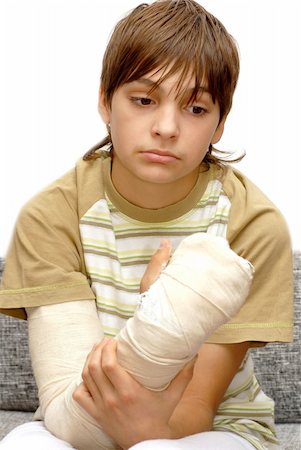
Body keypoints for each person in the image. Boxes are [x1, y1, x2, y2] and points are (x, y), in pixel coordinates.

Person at [0, 1, 293, 449]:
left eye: (196, 109)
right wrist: (163, 309)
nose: (167, 127)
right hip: (77, 421)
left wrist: (143, 436)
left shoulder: (252, 223)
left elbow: (196, 409)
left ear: (220, 124)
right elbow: (66, 402)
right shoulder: (51, 216)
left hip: (216, 430)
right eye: (143, 100)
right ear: (105, 100)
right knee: (24, 443)